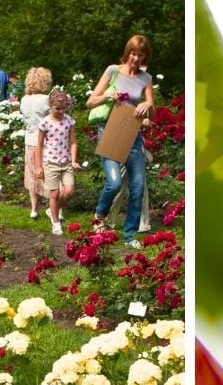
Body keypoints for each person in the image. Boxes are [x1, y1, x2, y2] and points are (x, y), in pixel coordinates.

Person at [87, 34, 156, 249]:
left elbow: (152, 115)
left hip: (133, 136)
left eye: (140, 54)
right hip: (109, 132)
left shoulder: (146, 79)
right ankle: (99, 218)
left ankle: (129, 235)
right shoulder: (112, 71)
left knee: (137, 186)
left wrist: (147, 107)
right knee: (114, 183)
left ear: (145, 56)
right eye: (133, 53)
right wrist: (110, 95)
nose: (136, 58)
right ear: (128, 52)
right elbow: (90, 102)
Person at [35, 90, 79, 235]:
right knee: (54, 194)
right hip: (50, 163)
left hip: (66, 162)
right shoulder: (45, 123)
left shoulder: (69, 121)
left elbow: (73, 142)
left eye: (63, 108)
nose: (61, 111)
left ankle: (51, 209)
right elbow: (39, 146)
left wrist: (73, 160)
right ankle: (56, 223)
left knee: (69, 191)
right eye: (57, 108)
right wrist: (38, 166)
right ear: (50, 106)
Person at [19, 67, 53, 220]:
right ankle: (53, 208)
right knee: (50, 173)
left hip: (30, 139)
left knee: (32, 173)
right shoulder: (46, 99)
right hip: (46, 141)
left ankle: (34, 209)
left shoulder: (24, 100)